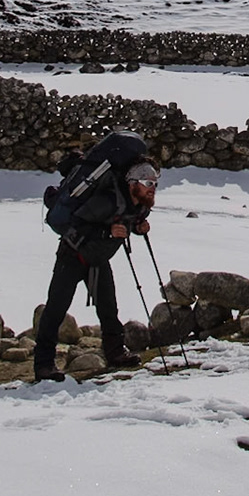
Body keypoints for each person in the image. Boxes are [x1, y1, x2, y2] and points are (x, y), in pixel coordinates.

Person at [34, 159, 158, 381]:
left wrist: (139, 228)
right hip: (72, 257)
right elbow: (76, 224)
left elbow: (130, 220)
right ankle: (43, 364)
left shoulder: (137, 204)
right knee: (56, 309)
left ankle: (115, 353)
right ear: (132, 184)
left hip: (98, 259)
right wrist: (108, 233)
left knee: (109, 308)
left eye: (154, 183)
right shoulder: (107, 201)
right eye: (148, 182)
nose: (152, 188)